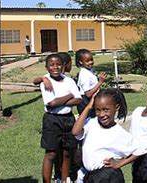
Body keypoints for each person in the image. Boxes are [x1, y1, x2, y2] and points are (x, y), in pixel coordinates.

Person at [72, 88, 136, 183]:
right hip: (90, 176)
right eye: (98, 110)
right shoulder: (91, 123)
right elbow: (75, 132)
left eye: (106, 110)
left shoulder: (119, 133)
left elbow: (138, 151)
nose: (102, 114)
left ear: (116, 107)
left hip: (108, 176)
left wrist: (120, 163)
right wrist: (88, 107)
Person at [33, 52, 77, 182]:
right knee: (51, 153)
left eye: (58, 64)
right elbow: (51, 104)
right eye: (51, 65)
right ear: (47, 67)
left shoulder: (69, 80)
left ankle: (64, 179)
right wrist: (70, 95)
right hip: (52, 120)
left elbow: (78, 99)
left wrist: (61, 100)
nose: (55, 67)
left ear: (63, 66)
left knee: (66, 152)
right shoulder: (46, 81)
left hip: (68, 119)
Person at [75, 49, 108, 115]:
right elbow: (88, 94)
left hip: (92, 101)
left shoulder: (89, 70)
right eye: (87, 61)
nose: (90, 62)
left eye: (91, 60)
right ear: (81, 62)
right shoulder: (84, 74)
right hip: (87, 103)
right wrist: (100, 82)